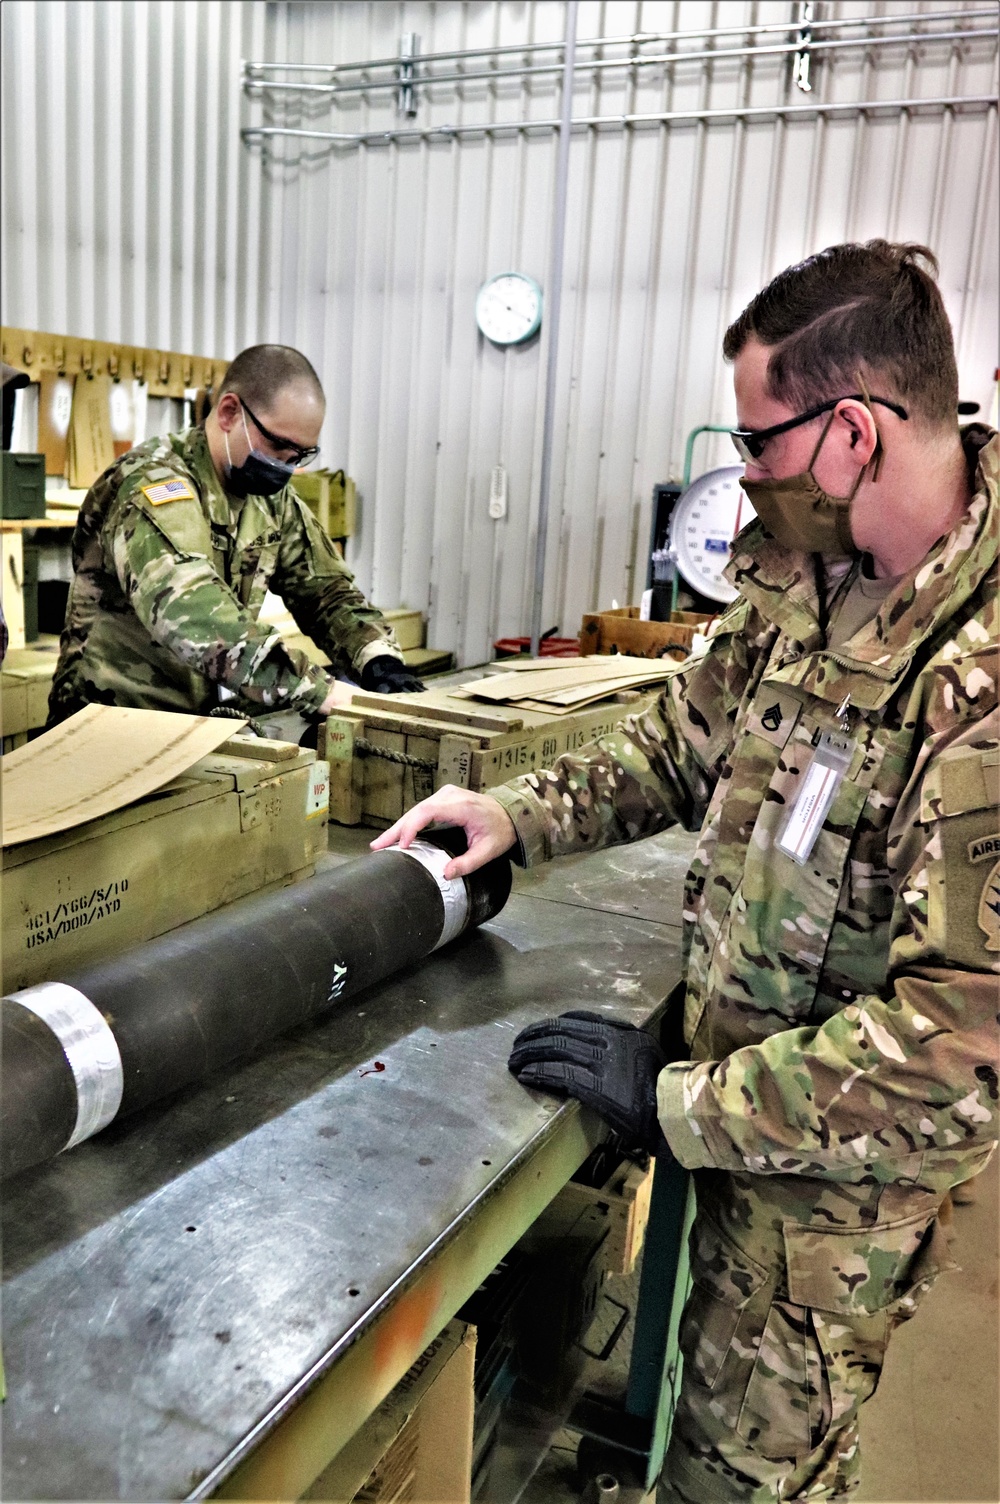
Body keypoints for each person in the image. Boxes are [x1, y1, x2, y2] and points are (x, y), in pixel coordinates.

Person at [372, 242, 999, 1502]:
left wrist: (675, 1102)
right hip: (733, 1123)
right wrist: (511, 814)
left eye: (758, 439)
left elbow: (959, 1043)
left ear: (853, 436)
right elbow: (681, 738)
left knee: (746, 1481)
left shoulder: (975, 681)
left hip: (826, 1216)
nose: (744, 471)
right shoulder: (801, 576)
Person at [48, 344, 422, 725]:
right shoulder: (155, 485)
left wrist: (378, 659)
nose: (285, 467)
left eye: (301, 456)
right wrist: (318, 689)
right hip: (104, 721)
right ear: (229, 413)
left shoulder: (269, 500)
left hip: (188, 724)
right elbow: (193, 613)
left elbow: (324, 591)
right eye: (278, 446)